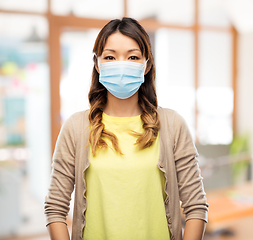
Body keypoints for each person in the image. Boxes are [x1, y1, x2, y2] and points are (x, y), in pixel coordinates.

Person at [44, 17, 208, 240]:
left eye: (132, 57)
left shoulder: (172, 125)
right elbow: (55, 208)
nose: (121, 64)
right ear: (97, 63)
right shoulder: (75, 128)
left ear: (147, 64)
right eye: (110, 57)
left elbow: (196, 207)